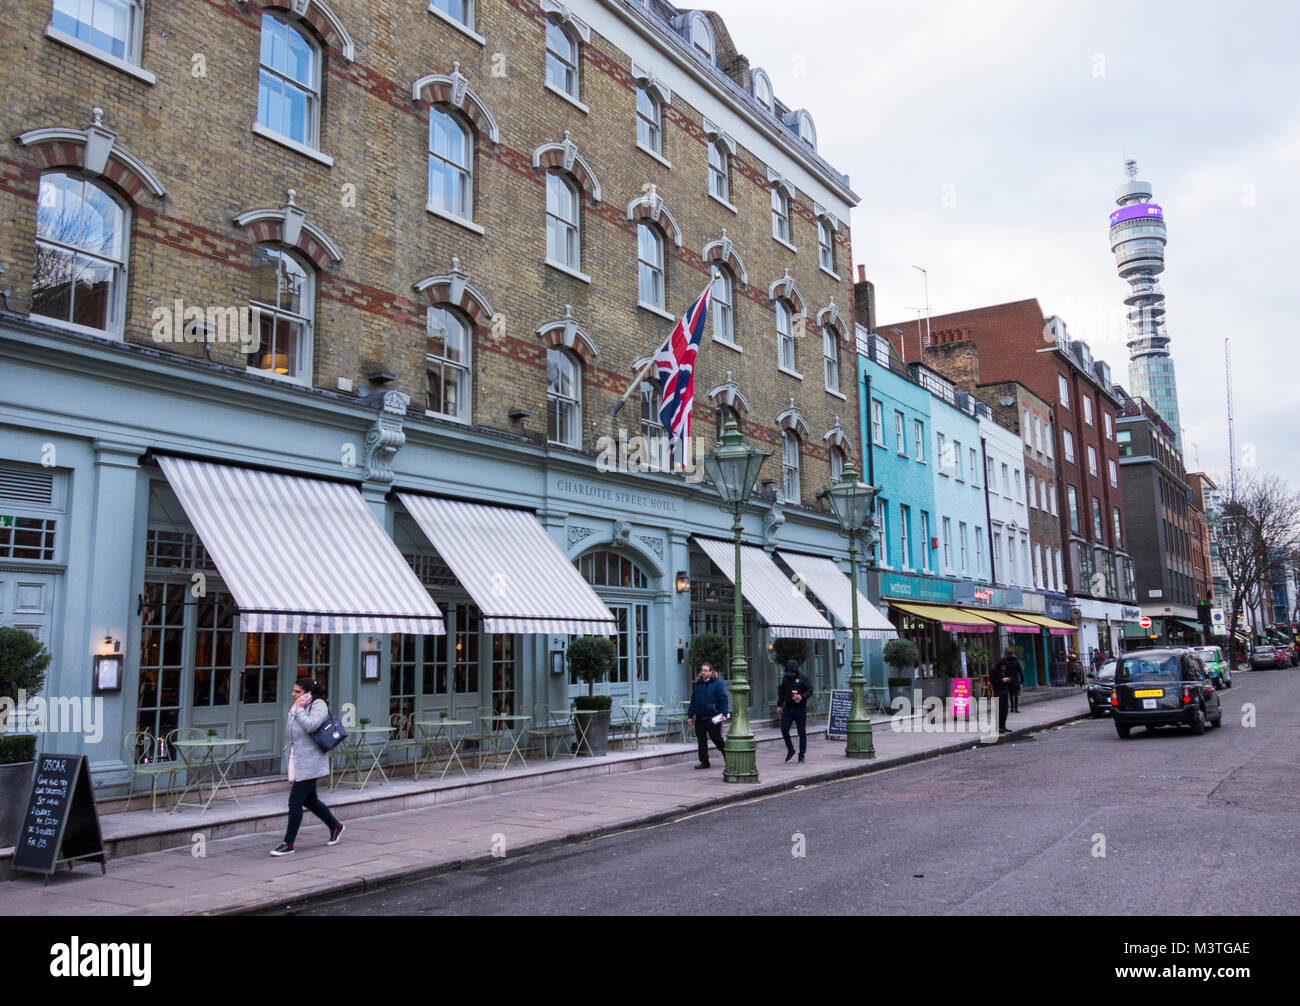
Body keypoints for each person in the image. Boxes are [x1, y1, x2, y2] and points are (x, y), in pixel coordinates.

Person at [272, 676, 344, 856]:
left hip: (311, 761)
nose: (293, 694)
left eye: (298, 692)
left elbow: (311, 726)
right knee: (309, 800)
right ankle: (336, 826)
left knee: (295, 800)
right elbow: (291, 729)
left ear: (308, 693)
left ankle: (288, 844)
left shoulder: (318, 705)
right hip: (298, 758)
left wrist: (300, 710)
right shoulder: (299, 705)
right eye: (294, 691)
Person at [686, 662, 729, 769]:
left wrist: (724, 713)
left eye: (705, 670)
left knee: (717, 739)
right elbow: (693, 701)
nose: (703, 673)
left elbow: (723, 699)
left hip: (713, 716)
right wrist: (690, 716)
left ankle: (729, 757)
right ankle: (704, 762)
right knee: (701, 740)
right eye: (702, 670)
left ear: (711, 672)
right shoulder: (697, 685)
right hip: (700, 717)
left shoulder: (717, 684)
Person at [776, 658, 814, 763]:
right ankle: (790, 750)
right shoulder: (785, 678)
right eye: (788, 673)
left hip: (800, 709)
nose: (789, 675)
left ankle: (801, 754)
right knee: (784, 729)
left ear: (796, 671)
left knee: (801, 732)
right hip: (788, 708)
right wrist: (779, 704)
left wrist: (802, 696)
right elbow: (782, 692)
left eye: (791, 673)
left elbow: (810, 690)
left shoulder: (804, 678)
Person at [990, 650, 1020, 734]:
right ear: (1000, 665)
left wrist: (1008, 680)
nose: (1004, 668)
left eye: (1005, 667)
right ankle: (998, 727)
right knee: (999, 710)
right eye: (1003, 666)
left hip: (1004, 691)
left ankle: (1003, 726)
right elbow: (993, 681)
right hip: (998, 692)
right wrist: (1002, 680)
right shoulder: (994, 671)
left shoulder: (1003, 671)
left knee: (1005, 710)